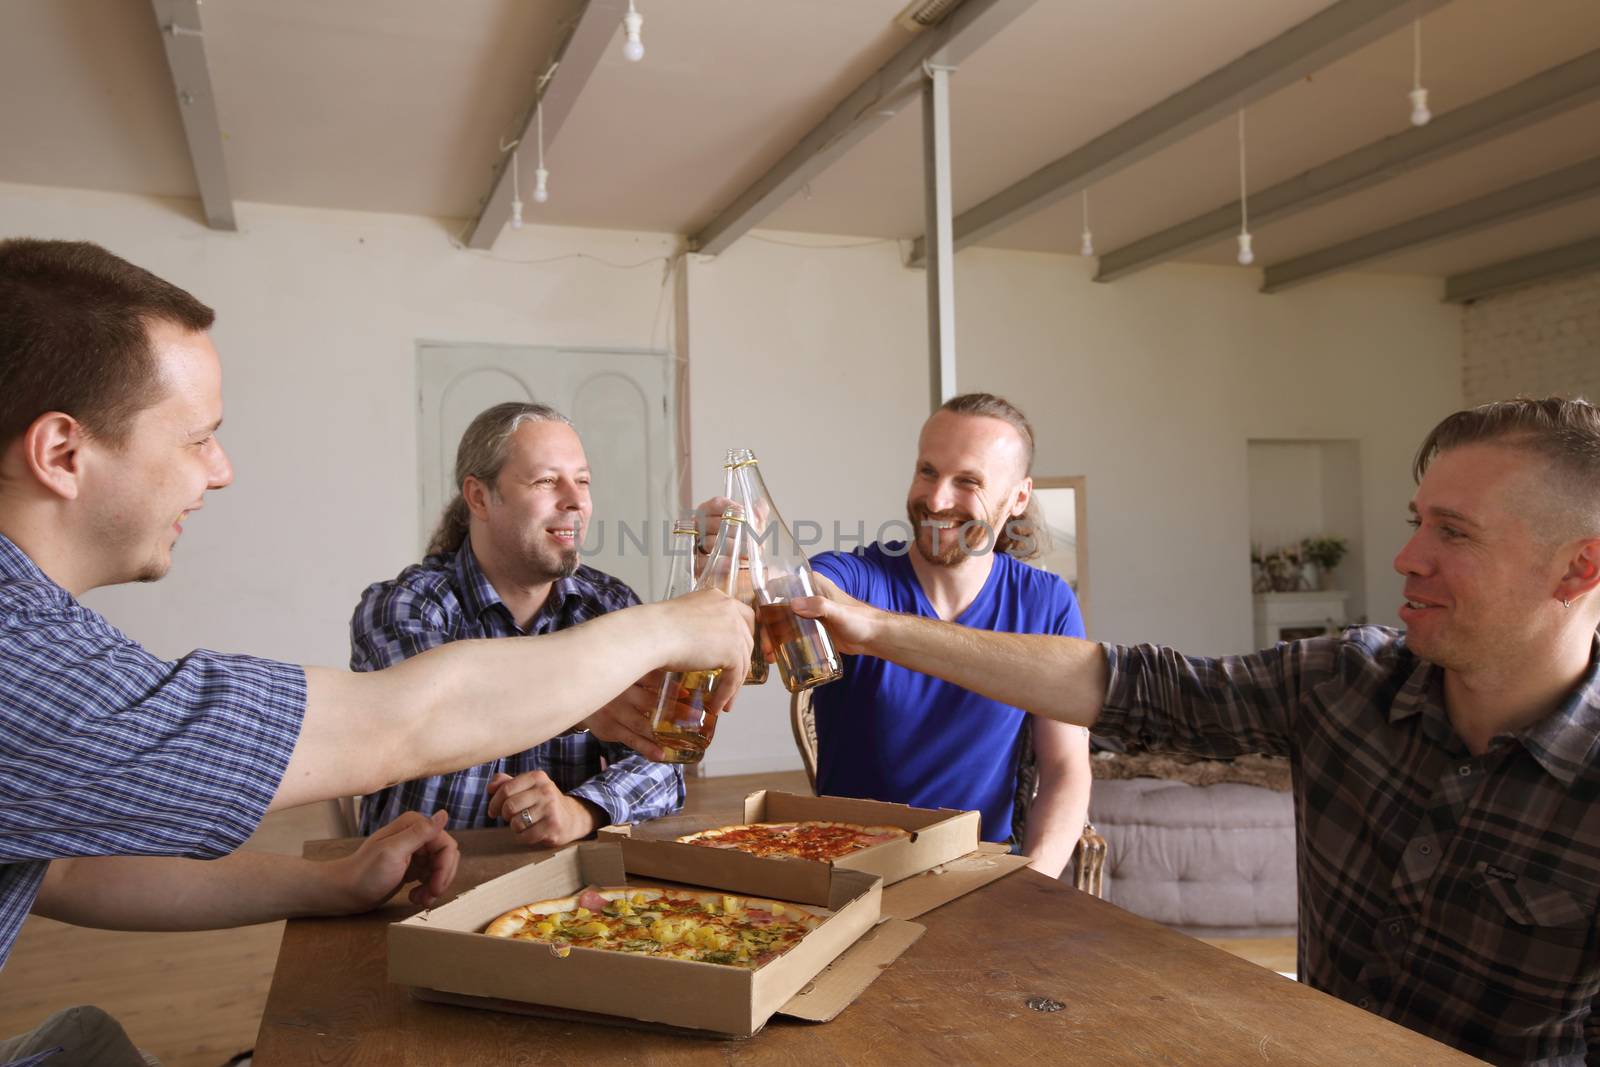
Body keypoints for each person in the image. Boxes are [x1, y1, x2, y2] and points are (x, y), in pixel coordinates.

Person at [0, 238, 751, 1053]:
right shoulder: (23, 661)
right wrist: (676, 623)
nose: (221, 470)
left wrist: (327, 880)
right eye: (196, 437)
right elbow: (392, 728)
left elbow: (66, 864)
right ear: (62, 454)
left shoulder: (46, 632)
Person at [794, 395, 1600, 1065]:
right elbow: (1142, 689)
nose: (1404, 556)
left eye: (1452, 532)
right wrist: (869, 625)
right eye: (1415, 520)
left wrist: (1026, 872)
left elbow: (1068, 760)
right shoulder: (1342, 683)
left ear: (1577, 567)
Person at [705, 394, 1092, 875]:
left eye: (967, 481)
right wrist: (739, 570)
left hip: (979, 875)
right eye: (928, 471)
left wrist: (1034, 883)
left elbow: (1065, 768)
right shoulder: (858, 578)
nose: (936, 499)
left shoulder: (1047, 602)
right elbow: (801, 589)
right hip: (850, 871)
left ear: (1017, 499)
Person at [350, 402, 684, 847]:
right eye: (546, 481)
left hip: (561, 890)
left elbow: (663, 762)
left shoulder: (611, 606)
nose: (575, 500)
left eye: (582, 481)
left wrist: (581, 809)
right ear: (478, 497)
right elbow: (436, 715)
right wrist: (583, 694)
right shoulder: (403, 604)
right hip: (416, 886)